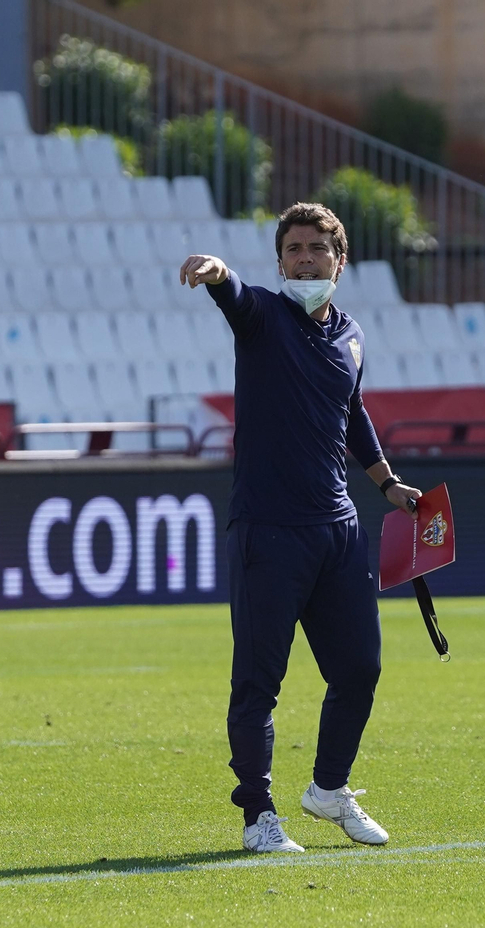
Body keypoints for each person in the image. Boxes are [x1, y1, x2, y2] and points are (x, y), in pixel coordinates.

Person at [180, 202, 422, 855]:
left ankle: (327, 790)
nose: (305, 258)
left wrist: (386, 484)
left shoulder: (352, 334)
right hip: (269, 529)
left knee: (359, 669)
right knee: (259, 682)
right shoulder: (262, 316)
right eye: (294, 249)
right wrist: (217, 272)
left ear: (340, 262)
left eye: (318, 248)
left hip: (338, 530)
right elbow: (234, 296)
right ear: (280, 260)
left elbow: (353, 415)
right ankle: (258, 815)